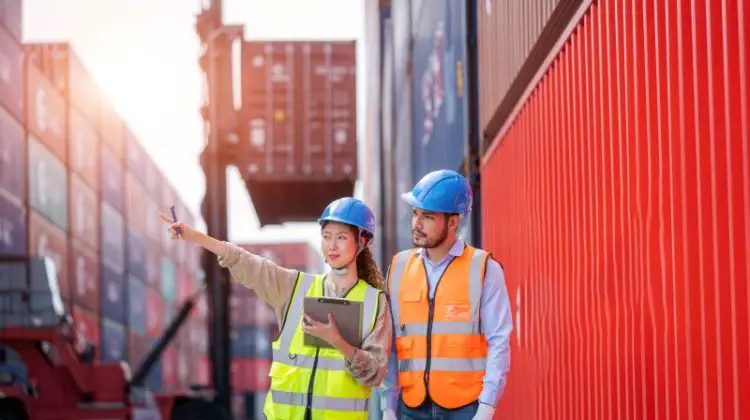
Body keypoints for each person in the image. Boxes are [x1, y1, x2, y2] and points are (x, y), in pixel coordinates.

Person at [159, 197, 393, 420]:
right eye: (326, 236)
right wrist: (195, 237)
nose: (331, 246)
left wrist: (339, 342)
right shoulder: (295, 288)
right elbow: (245, 262)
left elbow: (374, 373)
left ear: (362, 241)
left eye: (341, 238)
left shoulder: (375, 302)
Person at [380, 169, 513, 420]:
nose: (416, 223)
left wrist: (486, 408)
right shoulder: (398, 268)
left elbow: (499, 342)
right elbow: (392, 343)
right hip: (411, 408)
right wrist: (388, 407)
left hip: (466, 409)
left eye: (427, 216)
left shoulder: (484, 269)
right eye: (415, 214)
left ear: (453, 221)